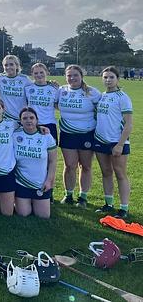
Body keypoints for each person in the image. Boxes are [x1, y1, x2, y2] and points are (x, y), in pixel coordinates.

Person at [58, 65, 101, 208]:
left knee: (86, 166)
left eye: (75, 75)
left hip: (87, 134)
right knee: (70, 165)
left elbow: (102, 110)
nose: (72, 78)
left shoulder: (92, 92)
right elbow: (53, 104)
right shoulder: (61, 91)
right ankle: (68, 195)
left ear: (82, 76)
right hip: (67, 133)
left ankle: (83, 197)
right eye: (69, 75)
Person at [93, 66, 133, 218]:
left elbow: (128, 124)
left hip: (117, 142)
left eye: (111, 77)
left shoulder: (122, 97)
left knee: (120, 173)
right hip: (100, 140)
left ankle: (124, 208)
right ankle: (108, 204)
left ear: (117, 79)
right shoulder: (101, 96)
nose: (108, 80)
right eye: (105, 77)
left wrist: (120, 144)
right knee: (106, 172)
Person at [14, 107, 57, 219]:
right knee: (23, 214)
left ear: (37, 120)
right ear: (20, 121)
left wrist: (49, 181)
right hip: (21, 182)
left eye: (31, 118)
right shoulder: (15, 134)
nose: (28, 120)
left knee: (44, 216)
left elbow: (52, 161)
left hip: (40, 183)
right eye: (25, 118)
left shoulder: (46, 136)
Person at [26, 63, 59, 143]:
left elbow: (57, 106)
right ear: (32, 74)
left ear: (46, 72)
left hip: (49, 123)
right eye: (36, 73)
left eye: (41, 72)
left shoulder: (54, 88)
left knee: (51, 149)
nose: (39, 75)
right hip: (33, 124)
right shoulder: (27, 88)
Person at [0, 55, 32, 121]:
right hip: (5, 117)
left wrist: (48, 83)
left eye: (11, 64)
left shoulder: (25, 79)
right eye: (6, 65)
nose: (8, 67)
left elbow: (36, 87)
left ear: (17, 66)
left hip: (21, 117)